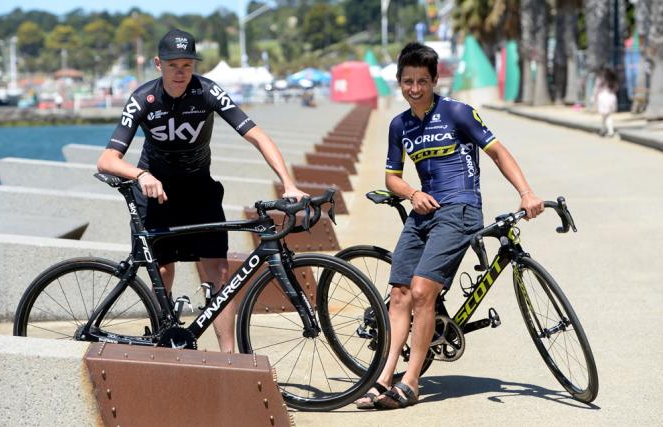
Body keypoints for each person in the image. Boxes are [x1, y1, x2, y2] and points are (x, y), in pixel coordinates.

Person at [354, 42, 544, 410]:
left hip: (461, 208)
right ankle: (383, 376)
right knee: (398, 294)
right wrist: (412, 193)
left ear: (434, 80)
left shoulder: (458, 113)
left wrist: (526, 192)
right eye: (407, 81)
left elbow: (498, 153)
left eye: (421, 81)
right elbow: (392, 177)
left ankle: (411, 382)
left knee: (423, 291)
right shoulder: (400, 125)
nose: (414, 88)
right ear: (399, 82)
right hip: (423, 211)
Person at [97, 29, 306, 353]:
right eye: (172, 65)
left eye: (186, 65)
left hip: (199, 191)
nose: (180, 73)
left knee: (219, 271)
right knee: (162, 271)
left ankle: (229, 356)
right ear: (158, 64)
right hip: (157, 194)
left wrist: (288, 183)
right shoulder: (143, 98)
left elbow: (257, 135)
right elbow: (107, 159)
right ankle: (163, 344)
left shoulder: (207, 92)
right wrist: (141, 175)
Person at [593, 66, 618, 137]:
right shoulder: (613, 80)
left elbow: (596, 89)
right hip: (611, 97)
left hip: (603, 97)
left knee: (605, 115)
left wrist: (595, 99)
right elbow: (616, 89)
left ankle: (606, 130)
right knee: (608, 115)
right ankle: (606, 130)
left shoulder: (600, 79)